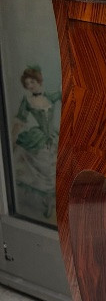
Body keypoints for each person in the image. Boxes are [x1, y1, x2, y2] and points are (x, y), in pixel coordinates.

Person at [11, 65, 60, 220]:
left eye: (32, 82)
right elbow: (19, 121)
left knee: (57, 170)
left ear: (39, 80)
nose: (30, 86)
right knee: (45, 172)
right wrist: (12, 139)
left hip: (53, 137)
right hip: (38, 139)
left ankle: (58, 202)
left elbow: (65, 93)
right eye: (27, 84)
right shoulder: (28, 101)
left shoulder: (49, 97)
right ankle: (49, 203)